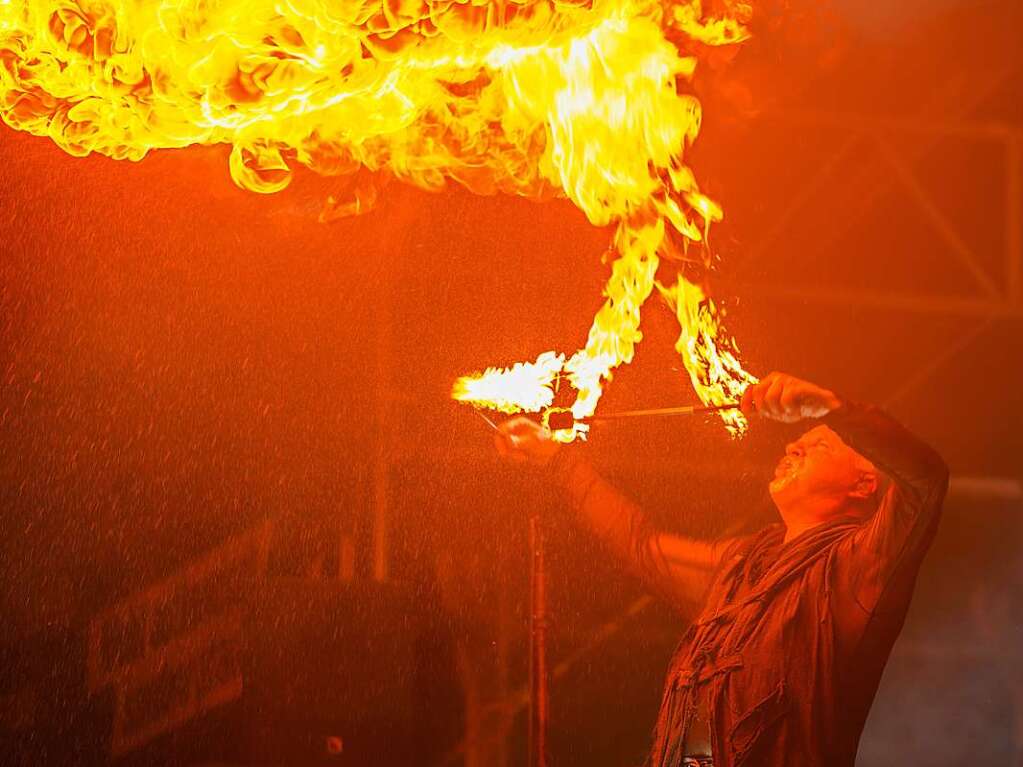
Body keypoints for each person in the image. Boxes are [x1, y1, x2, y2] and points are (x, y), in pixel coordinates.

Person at [495, 372, 948, 767]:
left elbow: (925, 479)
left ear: (865, 482)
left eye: (820, 443)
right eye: (800, 437)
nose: (793, 443)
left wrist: (833, 407)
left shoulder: (856, 569)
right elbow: (642, 545)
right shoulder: (739, 568)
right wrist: (557, 460)